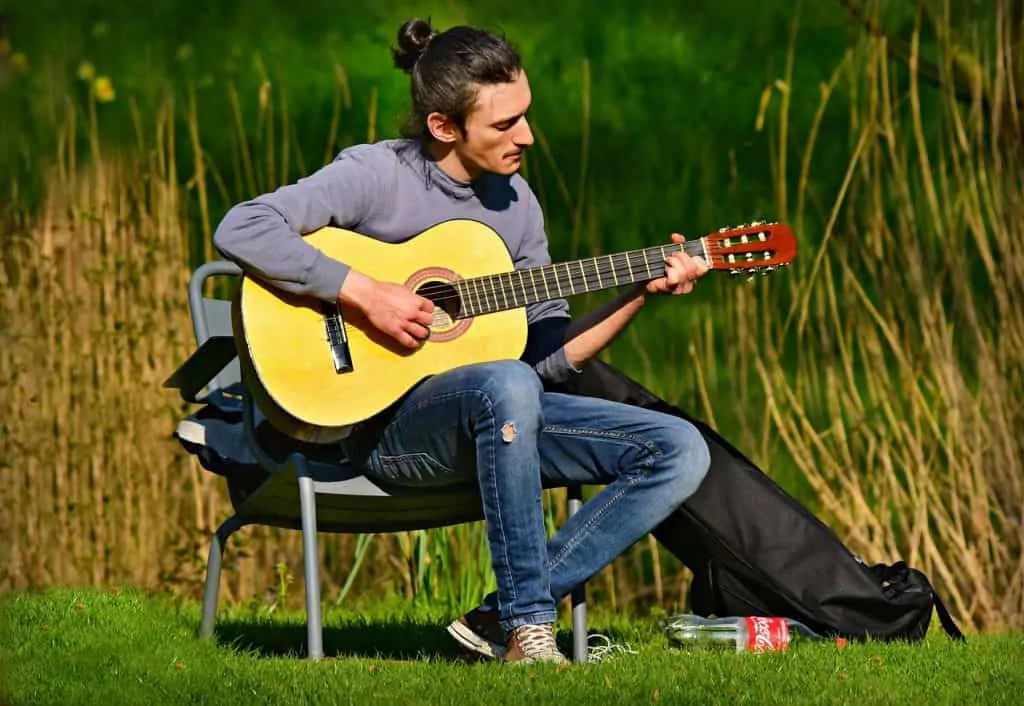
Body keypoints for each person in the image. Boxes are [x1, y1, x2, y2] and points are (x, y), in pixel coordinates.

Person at [212, 17, 712, 665]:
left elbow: (547, 359)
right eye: (505, 125)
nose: (527, 137)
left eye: (526, 115)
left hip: (496, 421)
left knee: (675, 447)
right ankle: (530, 631)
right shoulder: (375, 174)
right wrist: (363, 292)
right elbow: (243, 226)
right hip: (380, 433)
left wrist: (640, 292)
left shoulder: (517, 205)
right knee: (506, 385)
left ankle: (495, 616)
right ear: (444, 127)